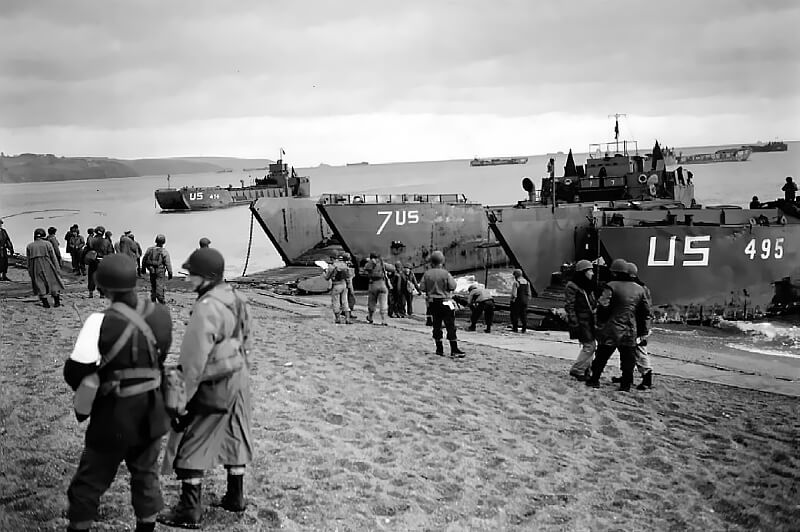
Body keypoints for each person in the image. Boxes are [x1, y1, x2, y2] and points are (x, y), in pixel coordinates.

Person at [63, 254, 172, 532]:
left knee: (90, 481)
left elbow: (75, 373)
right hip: (152, 411)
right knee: (146, 476)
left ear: (103, 286)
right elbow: (158, 357)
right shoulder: (161, 315)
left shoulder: (97, 321)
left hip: (113, 416)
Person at [158, 248, 253, 529]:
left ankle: (189, 510)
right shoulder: (237, 298)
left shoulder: (206, 307)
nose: (188, 280)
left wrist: (182, 400)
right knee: (235, 432)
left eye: (192, 275)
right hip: (239, 377)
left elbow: (193, 360)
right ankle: (235, 497)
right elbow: (247, 341)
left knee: (192, 438)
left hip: (213, 382)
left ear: (205, 277)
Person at [585, 258, 650, 392]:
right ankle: (625, 384)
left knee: (602, 356)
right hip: (631, 329)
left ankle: (594, 379)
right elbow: (645, 312)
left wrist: (600, 322)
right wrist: (643, 331)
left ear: (615, 272)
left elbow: (603, 305)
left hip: (612, 327)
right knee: (628, 359)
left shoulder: (611, 286)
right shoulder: (639, 289)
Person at [420, 251, 465, 357]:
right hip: (445, 301)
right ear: (442, 261)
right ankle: (454, 349)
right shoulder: (445, 273)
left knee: (436, 326)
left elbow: (422, 288)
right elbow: (453, 286)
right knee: (450, 325)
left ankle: (439, 349)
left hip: (432, 303)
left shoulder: (427, 274)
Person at [619, 262, 654, 390]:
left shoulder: (639, 289)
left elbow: (645, 311)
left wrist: (644, 330)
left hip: (638, 326)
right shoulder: (640, 287)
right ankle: (629, 376)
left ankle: (647, 379)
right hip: (634, 325)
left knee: (639, 351)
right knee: (628, 351)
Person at [565, 260, 597, 381]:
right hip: (582, 321)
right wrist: (574, 322)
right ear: (583, 272)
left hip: (589, 320)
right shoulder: (572, 286)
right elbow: (570, 306)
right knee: (590, 346)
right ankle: (578, 369)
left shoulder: (587, 286)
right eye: (590, 271)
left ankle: (585, 370)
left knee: (590, 345)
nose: (592, 273)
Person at [26, 227, 65, 308]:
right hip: (47, 263)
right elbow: (53, 257)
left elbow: (28, 260)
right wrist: (57, 268)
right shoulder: (48, 244)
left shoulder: (30, 246)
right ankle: (56, 302)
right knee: (53, 282)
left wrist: (30, 270)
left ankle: (45, 303)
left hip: (35, 265)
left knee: (39, 283)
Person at [85, 225, 115, 298]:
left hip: (93, 261)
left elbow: (86, 250)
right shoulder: (107, 241)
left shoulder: (91, 240)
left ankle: (91, 292)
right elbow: (111, 253)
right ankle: (102, 294)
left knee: (91, 276)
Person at [141, 234, 173, 304]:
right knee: (159, 286)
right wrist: (170, 273)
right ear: (164, 242)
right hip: (160, 271)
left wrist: (143, 268)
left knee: (153, 285)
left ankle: (153, 300)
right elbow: (168, 263)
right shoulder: (164, 251)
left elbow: (144, 259)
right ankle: (161, 301)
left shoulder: (149, 249)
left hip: (151, 269)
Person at [324, 253, 353, 324]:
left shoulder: (332, 266)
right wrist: (349, 286)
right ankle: (347, 319)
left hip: (336, 285)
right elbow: (348, 277)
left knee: (336, 301)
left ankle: (338, 319)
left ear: (331, 258)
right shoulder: (344, 265)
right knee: (345, 301)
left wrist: (324, 273)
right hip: (344, 285)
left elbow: (327, 278)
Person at [363, 252, 390, 325]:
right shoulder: (382, 263)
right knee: (383, 303)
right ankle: (384, 320)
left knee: (372, 302)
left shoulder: (369, 264)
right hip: (382, 284)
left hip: (373, 284)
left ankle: (370, 317)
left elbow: (364, 271)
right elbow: (392, 268)